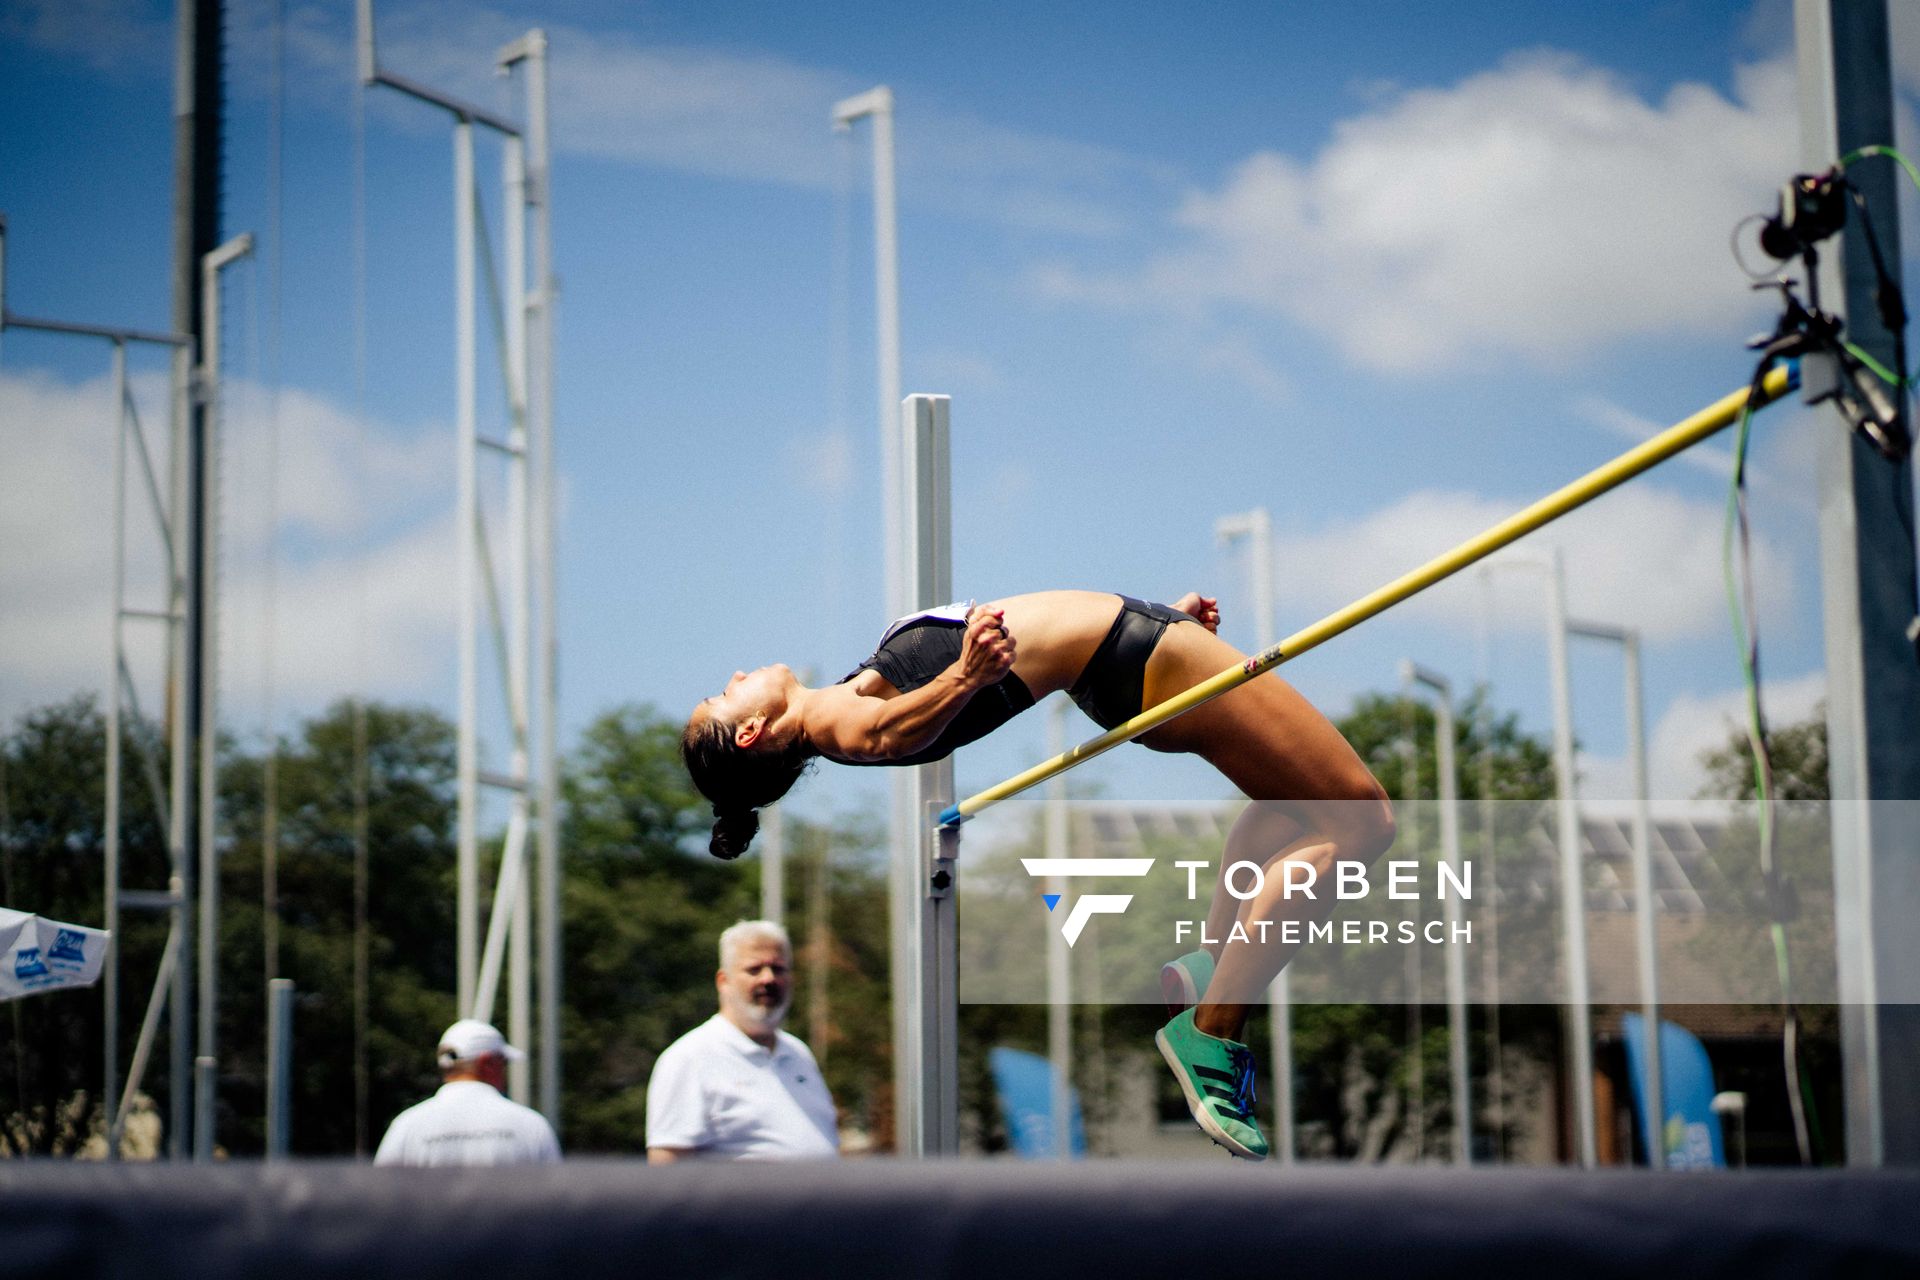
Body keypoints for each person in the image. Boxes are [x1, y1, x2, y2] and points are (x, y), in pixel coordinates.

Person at [682, 590, 1395, 1161]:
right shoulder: (836, 723)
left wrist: (1173, 628)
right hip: (1134, 655)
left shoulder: (844, 693)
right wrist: (968, 674)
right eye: (726, 694)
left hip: (1137, 652)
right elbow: (890, 733)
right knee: (1362, 820)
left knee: (1295, 809)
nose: (738, 677)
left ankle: (1212, 963)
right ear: (751, 732)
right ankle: (1214, 1028)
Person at [646, 919, 840, 1162]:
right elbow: (667, 1174)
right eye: (754, 969)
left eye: (778, 969)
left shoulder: (799, 1054)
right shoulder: (688, 1059)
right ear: (723, 981)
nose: (768, 979)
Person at [374, 1018, 561, 1166]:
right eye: (503, 1062)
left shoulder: (407, 1126)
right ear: (487, 1063)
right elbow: (559, 1203)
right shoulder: (530, 1126)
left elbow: (378, 1202)